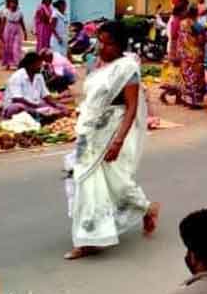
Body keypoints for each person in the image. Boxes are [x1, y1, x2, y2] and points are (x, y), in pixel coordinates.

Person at [67, 21, 159, 259]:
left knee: (117, 183)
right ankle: (90, 237)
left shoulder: (127, 68)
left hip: (110, 133)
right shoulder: (98, 66)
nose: (101, 47)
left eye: (107, 43)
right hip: (88, 133)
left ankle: (143, 209)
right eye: (100, 41)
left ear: (119, 44)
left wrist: (118, 141)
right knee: (84, 181)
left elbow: (130, 108)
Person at [2, 52, 68, 118]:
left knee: (53, 107)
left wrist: (57, 105)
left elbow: (46, 95)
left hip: (33, 105)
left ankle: (38, 114)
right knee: (17, 108)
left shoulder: (38, 76)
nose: (41, 67)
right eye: (38, 64)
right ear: (30, 65)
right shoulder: (17, 77)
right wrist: (34, 106)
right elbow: (17, 99)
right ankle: (38, 114)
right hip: (20, 105)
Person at [177, 5, 206, 108]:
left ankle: (186, 99)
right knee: (195, 78)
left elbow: (180, 38)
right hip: (195, 54)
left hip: (184, 54)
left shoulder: (182, 23)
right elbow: (201, 40)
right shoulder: (197, 25)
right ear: (196, 13)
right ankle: (194, 101)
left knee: (185, 76)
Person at [0, 0, 27, 70]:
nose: (13, 4)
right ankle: (7, 64)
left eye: (14, 3)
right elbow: (3, 23)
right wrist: (0, 33)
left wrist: (25, 32)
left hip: (17, 29)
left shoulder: (20, 12)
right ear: (9, 3)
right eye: (11, 3)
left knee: (16, 48)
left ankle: (17, 64)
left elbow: (21, 22)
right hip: (8, 29)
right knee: (7, 48)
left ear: (17, 4)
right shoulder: (6, 11)